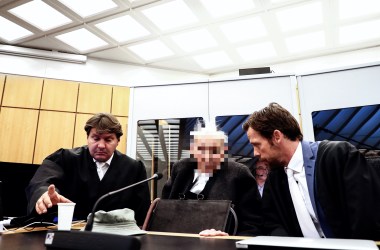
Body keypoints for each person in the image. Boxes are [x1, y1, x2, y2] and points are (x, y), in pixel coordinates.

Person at [242, 102, 378, 240]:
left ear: (277, 136)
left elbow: (366, 215)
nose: (255, 153)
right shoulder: (275, 179)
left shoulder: (338, 156)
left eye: (257, 145)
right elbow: (273, 224)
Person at [26, 113, 150, 226]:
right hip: (70, 235)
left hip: (116, 238)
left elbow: (141, 213)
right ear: (88, 138)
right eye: (95, 138)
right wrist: (42, 193)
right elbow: (41, 181)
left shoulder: (134, 169)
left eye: (108, 139)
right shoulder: (64, 158)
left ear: (118, 141)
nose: (101, 145)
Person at [161, 121, 262, 236]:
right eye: (201, 149)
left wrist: (229, 240)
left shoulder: (238, 173)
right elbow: (164, 211)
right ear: (192, 150)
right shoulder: (180, 169)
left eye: (213, 150)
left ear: (223, 151)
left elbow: (253, 224)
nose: (206, 155)